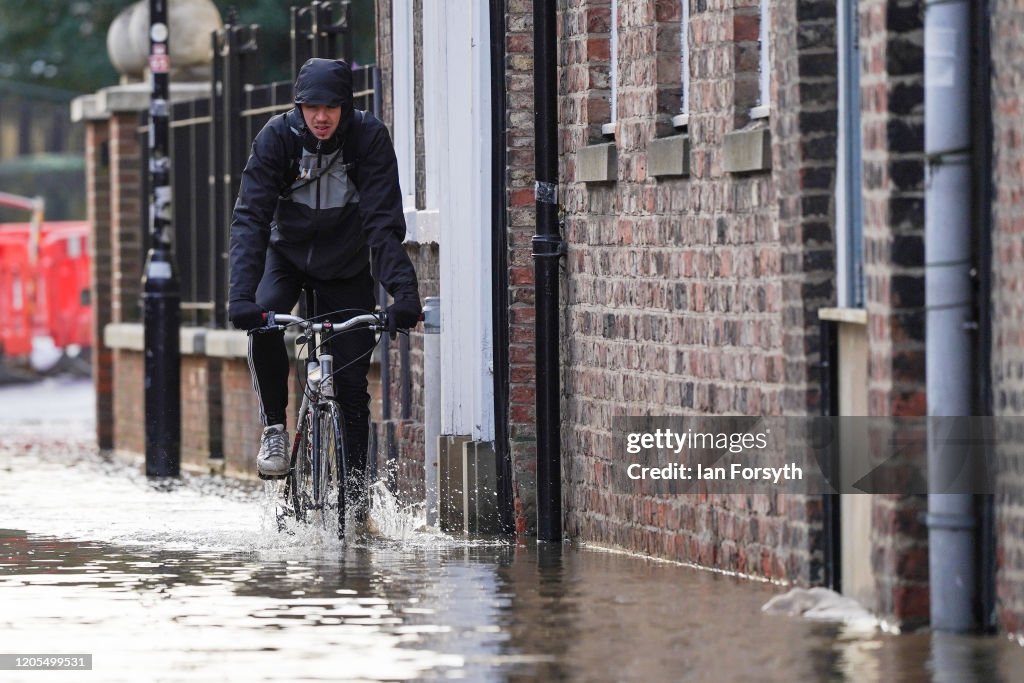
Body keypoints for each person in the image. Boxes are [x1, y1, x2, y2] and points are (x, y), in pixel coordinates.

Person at [227, 58, 421, 503]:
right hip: (287, 257)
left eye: (331, 108)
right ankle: (275, 427)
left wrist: (403, 294)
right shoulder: (277, 138)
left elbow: (382, 223)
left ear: (345, 108)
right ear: (299, 107)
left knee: (352, 389)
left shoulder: (367, 138)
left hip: (346, 264)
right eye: (312, 107)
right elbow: (250, 218)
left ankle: (353, 498)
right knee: (264, 320)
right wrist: (240, 296)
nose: (321, 117)